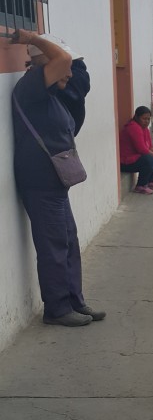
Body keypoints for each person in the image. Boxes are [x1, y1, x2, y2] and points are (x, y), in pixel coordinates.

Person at [9, 30, 105, 327]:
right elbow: (62, 59)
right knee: (53, 245)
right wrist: (32, 37)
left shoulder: (50, 94)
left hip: (55, 180)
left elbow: (70, 68)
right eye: (65, 69)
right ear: (44, 65)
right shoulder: (31, 88)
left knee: (67, 241)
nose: (69, 73)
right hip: (40, 180)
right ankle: (57, 309)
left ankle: (74, 300)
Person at [119, 106, 153, 193]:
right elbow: (142, 150)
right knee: (150, 159)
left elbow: (150, 147)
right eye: (144, 119)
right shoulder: (133, 127)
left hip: (136, 158)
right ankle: (141, 185)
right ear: (137, 117)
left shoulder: (144, 129)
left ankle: (150, 181)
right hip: (125, 162)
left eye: (148, 119)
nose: (147, 121)